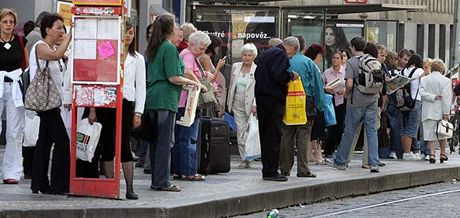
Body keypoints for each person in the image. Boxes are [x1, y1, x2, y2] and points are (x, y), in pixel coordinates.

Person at [86, 22, 146, 199]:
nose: (128, 36)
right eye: (125, 32)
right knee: (107, 144)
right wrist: (92, 108)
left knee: (124, 144)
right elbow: (97, 78)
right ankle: (111, 186)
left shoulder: (138, 58)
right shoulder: (107, 50)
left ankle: (129, 187)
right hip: (106, 101)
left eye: (131, 32)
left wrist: (139, 112)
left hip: (127, 102)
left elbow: (141, 86)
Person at [144, 14, 201, 192]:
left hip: (152, 97)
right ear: (170, 29)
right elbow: (173, 77)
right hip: (165, 98)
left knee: (155, 142)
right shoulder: (168, 48)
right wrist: (195, 84)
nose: (178, 28)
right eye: (176, 25)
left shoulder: (154, 47)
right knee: (164, 142)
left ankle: (157, 179)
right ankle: (162, 181)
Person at [29, 13, 72, 194]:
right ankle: (58, 185)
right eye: (58, 28)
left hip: (53, 103)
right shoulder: (40, 46)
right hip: (46, 103)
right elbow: (56, 55)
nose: (61, 31)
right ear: (47, 30)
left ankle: (39, 183)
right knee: (62, 142)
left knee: (44, 143)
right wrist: (71, 34)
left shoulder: (50, 47)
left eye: (63, 28)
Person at [327, 37, 380, 173]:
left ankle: (340, 161)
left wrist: (346, 94)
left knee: (349, 131)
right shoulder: (374, 60)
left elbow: (349, 83)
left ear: (353, 47)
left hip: (356, 100)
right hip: (373, 99)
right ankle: (373, 163)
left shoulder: (352, 62)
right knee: (372, 132)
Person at [279, 36, 326, 177]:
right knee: (304, 134)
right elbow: (318, 85)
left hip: (288, 100)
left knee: (287, 134)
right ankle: (303, 169)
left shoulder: (284, 61)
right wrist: (321, 105)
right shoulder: (308, 63)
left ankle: (285, 168)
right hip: (306, 100)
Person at [255, 36, 299, 182]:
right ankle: (271, 171)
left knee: (266, 135)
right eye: (292, 54)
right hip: (273, 100)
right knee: (274, 136)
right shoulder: (280, 54)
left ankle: (267, 168)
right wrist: (291, 75)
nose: (291, 57)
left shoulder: (267, 53)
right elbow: (278, 75)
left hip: (262, 98)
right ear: (292, 47)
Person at [172, 31, 211, 182]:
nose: (203, 51)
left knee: (181, 138)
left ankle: (179, 170)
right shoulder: (188, 55)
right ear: (192, 44)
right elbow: (186, 71)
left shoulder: (186, 54)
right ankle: (189, 171)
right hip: (187, 103)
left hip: (182, 103)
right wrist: (199, 83)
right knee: (189, 138)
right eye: (201, 48)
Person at [0, 8, 28, 184]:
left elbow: (26, 65)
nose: (8, 25)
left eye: (11, 22)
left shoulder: (21, 41)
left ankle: (12, 171)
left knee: (14, 131)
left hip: (15, 87)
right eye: (5, 21)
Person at [227, 43, 258, 168]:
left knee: (249, 132)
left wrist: (255, 104)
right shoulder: (235, 67)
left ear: (254, 56)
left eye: (249, 55)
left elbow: (258, 89)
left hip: (251, 105)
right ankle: (244, 158)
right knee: (240, 132)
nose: (246, 58)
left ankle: (249, 156)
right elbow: (231, 85)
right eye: (244, 55)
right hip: (237, 104)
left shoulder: (257, 69)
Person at [419, 59, 452, 163]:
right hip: (440, 110)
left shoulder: (424, 79)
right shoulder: (446, 80)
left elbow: (421, 93)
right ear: (442, 68)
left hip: (428, 110)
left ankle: (432, 154)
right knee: (442, 134)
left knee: (430, 134)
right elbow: (446, 98)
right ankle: (442, 153)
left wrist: (432, 97)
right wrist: (446, 113)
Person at [322, 51, 346, 159]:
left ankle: (339, 149)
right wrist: (327, 89)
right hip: (330, 101)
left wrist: (344, 91)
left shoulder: (345, 72)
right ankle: (328, 150)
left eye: (337, 58)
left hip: (341, 100)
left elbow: (350, 85)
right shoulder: (327, 72)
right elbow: (322, 84)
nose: (335, 60)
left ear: (341, 60)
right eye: (333, 58)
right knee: (331, 126)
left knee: (340, 126)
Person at [304, 44, 327, 161]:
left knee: (309, 129)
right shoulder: (314, 67)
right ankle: (317, 154)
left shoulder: (306, 65)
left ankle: (309, 154)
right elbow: (317, 86)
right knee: (317, 128)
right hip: (315, 101)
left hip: (307, 100)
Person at [400, 54, 424, 160]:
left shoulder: (402, 71)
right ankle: (407, 153)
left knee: (405, 127)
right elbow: (424, 85)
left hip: (403, 103)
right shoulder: (419, 71)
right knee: (412, 127)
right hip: (415, 101)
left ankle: (405, 151)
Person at [198, 33, 226, 117]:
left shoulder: (204, 57)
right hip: (207, 94)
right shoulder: (206, 58)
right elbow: (209, 79)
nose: (218, 49)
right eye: (218, 46)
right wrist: (218, 67)